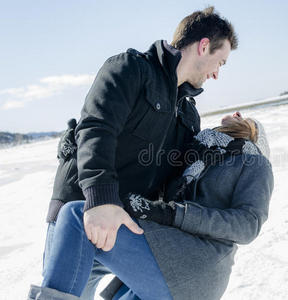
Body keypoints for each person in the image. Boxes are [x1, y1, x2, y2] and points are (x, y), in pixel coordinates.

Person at [34, 6, 238, 300]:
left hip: (122, 225)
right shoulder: (131, 68)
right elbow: (96, 129)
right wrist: (100, 200)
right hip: (83, 211)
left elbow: (181, 174)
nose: (217, 74)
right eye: (220, 62)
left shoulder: (188, 114)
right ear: (204, 46)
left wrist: (230, 135)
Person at [29, 113, 274, 300]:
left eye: (249, 119)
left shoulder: (253, 161)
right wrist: (76, 157)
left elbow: (248, 224)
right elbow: (146, 187)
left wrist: (176, 214)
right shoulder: (195, 155)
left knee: (77, 217)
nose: (238, 114)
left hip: (196, 269)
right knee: (89, 248)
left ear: (253, 134)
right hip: (166, 257)